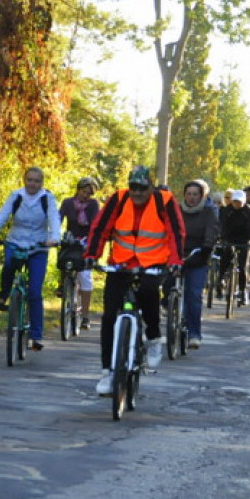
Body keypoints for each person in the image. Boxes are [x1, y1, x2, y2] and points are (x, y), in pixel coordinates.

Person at [84, 165, 184, 394]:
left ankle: (153, 337)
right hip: (121, 263)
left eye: (142, 188)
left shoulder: (164, 200)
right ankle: (108, 372)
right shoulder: (118, 199)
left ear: (150, 186)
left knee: (149, 294)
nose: (137, 192)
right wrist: (91, 255)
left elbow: (176, 232)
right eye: (133, 187)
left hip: (153, 263)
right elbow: (100, 227)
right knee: (109, 315)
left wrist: (176, 261)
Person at [0, 166, 60, 351]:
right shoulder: (16, 196)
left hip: (38, 246)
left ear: (42, 183)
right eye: (30, 180)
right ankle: (3, 296)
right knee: (9, 266)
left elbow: (54, 219)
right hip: (15, 241)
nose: (33, 184)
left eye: (37, 180)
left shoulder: (47, 198)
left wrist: (55, 238)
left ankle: (36, 335)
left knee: (34, 292)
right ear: (24, 180)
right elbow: (2, 215)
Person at [178, 179, 220, 349]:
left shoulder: (209, 211)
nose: (192, 197)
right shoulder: (177, 210)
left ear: (201, 196)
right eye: (189, 194)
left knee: (194, 295)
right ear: (184, 195)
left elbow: (212, 230)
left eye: (195, 194)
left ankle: (194, 333)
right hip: (177, 254)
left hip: (198, 255)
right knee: (165, 285)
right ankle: (169, 305)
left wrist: (206, 248)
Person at [58, 176, 100, 329]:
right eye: (84, 191)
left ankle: (86, 317)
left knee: (85, 277)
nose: (86, 195)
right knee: (64, 259)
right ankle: (62, 284)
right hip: (71, 240)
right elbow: (59, 218)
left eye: (89, 193)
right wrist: (55, 233)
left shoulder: (93, 205)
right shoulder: (67, 203)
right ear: (78, 189)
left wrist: (92, 241)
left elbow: (96, 223)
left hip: (86, 242)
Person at [218, 188, 250, 305]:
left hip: (244, 241)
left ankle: (242, 291)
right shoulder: (227, 210)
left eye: (239, 202)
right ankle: (220, 280)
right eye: (235, 201)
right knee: (224, 259)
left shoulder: (248, 210)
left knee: (242, 266)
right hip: (229, 239)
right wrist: (221, 238)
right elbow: (222, 225)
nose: (237, 204)